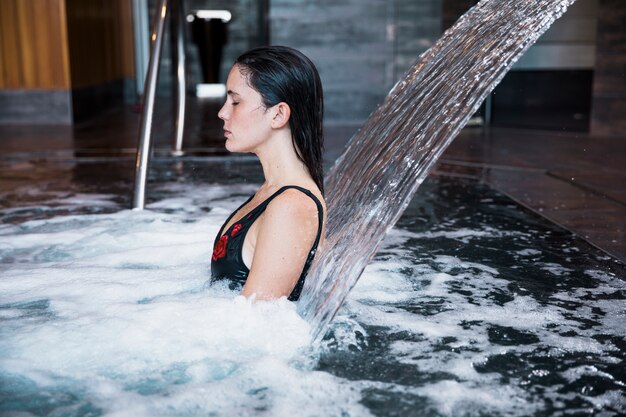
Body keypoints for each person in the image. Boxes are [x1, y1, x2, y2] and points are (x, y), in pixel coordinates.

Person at [210, 46, 326, 302]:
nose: (222, 112)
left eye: (235, 101)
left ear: (278, 114)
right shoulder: (274, 193)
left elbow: (257, 323)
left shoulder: (292, 205)